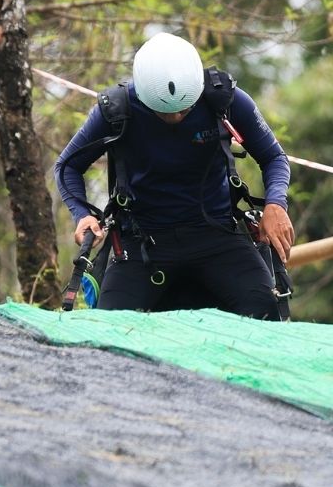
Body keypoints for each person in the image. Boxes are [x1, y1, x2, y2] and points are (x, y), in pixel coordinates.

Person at [54, 32, 294, 319]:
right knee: (110, 328)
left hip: (217, 235)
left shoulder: (224, 100)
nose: (177, 117)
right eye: (165, 113)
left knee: (265, 311)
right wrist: (82, 214)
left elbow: (273, 156)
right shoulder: (117, 110)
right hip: (142, 243)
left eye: (186, 109)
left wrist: (275, 204)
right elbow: (68, 166)